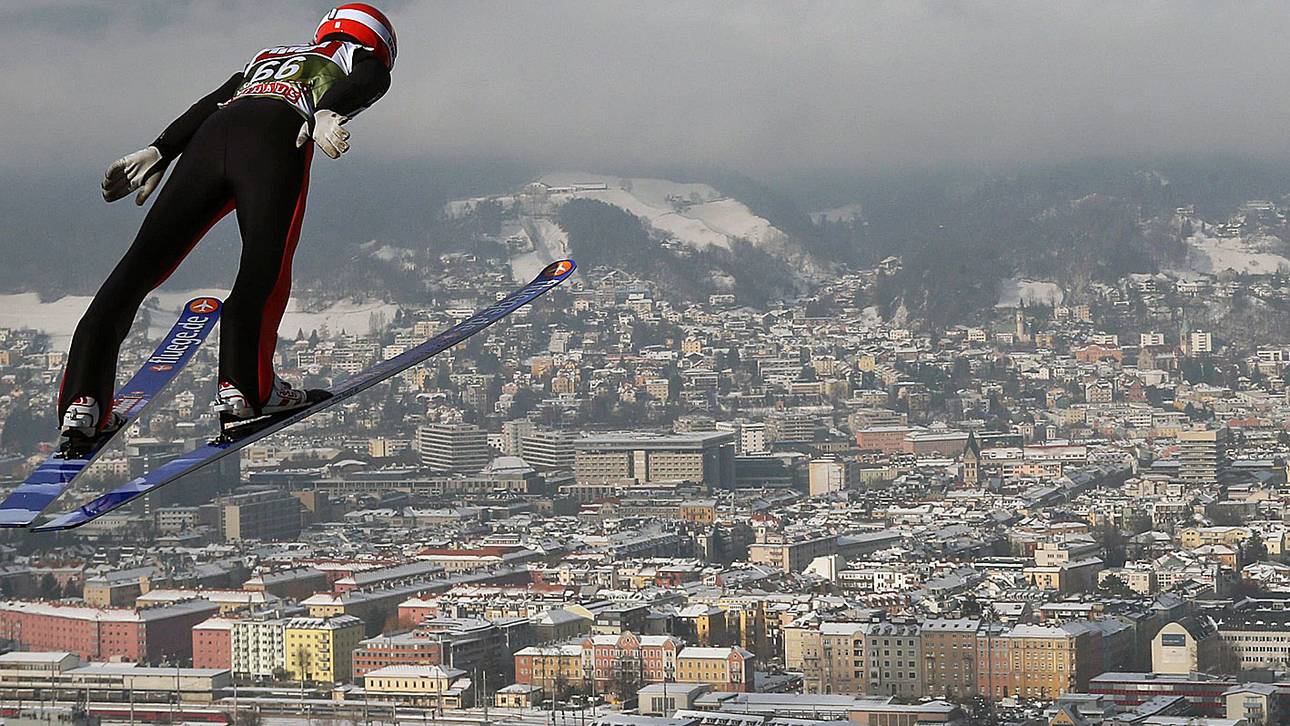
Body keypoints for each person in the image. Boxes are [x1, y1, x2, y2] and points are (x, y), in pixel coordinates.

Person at [58, 3, 395, 448]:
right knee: (263, 267)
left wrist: (161, 150)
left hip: (210, 139)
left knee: (137, 268)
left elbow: (214, 99)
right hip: (276, 136)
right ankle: (244, 392)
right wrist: (329, 111)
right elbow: (371, 79)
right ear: (379, 42)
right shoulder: (356, 58)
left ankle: (83, 404)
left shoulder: (268, 55)